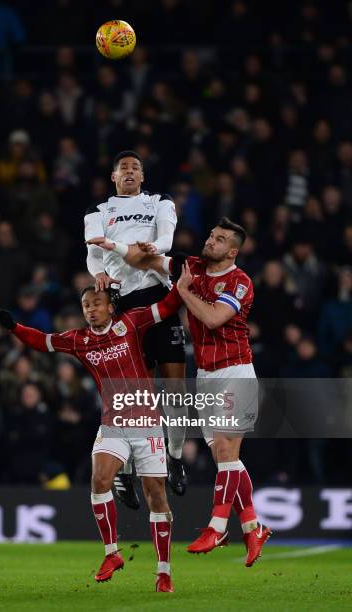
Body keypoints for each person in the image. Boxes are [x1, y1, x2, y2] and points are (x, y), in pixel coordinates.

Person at [89, 217, 272, 567]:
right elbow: (149, 262)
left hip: (236, 370)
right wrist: (117, 249)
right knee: (225, 458)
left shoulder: (240, 282)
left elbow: (214, 318)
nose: (211, 240)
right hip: (206, 375)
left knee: (225, 450)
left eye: (219, 239)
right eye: (211, 234)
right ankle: (253, 526)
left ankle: (217, 527)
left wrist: (184, 291)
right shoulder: (193, 267)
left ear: (232, 251)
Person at [0, 284, 184, 592]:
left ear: (110, 307)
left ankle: (164, 572)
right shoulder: (79, 340)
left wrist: (181, 281)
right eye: (86, 306)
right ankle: (112, 554)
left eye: (97, 303)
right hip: (114, 422)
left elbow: (167, 306)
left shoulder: (131, 322)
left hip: (147, 422)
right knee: (99, 480)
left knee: (155, 495)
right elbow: (43, 342)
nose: (91, 309)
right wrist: (15, 327)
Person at [84, 150, 187, 507]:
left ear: (142, 177)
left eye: (136, 168)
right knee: (129, 396)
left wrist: (154, 249)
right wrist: (96, 271)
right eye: (123, 168)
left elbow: (168, 240)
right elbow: (93, 252)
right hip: (123, 303)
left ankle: (174, 456)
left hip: (158, 296)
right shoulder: (98, 212)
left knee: (175, 389)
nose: (130, 172)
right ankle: (124, 471)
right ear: (113, 177)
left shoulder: (159, 202)